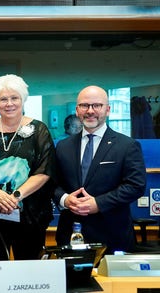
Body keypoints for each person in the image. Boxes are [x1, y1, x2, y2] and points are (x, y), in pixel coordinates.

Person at [0, 74, 55, 269]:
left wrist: (15, 197)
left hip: (30, 216)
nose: (9, 103)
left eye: (14, 98)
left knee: (30, 274)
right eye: (3, 99)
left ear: (23, 100)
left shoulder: (39, 130)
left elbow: (44, 170)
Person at [54, 85, 146, 254]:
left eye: (97, 105)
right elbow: (52, 184)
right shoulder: (63, 146)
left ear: (108, 109)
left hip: (113, 236)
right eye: (84, 105)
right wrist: (65, 199)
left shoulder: (127, 146)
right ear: (77, 110)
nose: (90, 110)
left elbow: (135, 186)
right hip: (70, 235)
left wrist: (98, 203)